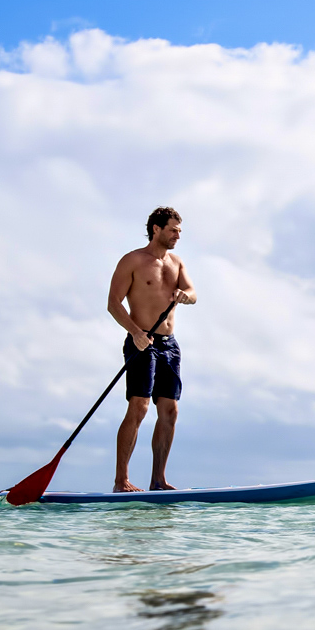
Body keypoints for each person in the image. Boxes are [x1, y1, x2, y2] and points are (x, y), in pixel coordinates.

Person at [107, 207, 198, 491]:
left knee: (169, 411)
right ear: (156, 229)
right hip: (141, 342)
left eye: (180, 231)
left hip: (169, 345)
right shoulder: (133, 260)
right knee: (139, 407)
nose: (177, 236)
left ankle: (158, 480)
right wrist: (135, 333)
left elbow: (193, 294)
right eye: (172, 230)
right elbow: (113, 303)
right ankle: (121, 480)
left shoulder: (177, 262)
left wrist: (186, 295)